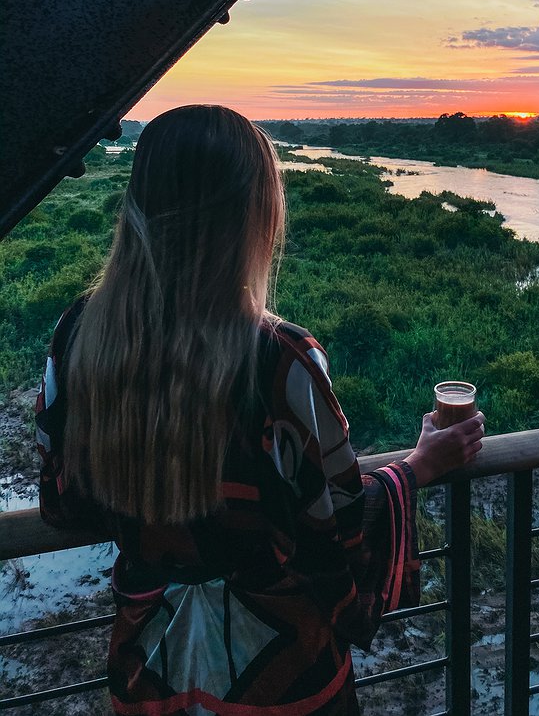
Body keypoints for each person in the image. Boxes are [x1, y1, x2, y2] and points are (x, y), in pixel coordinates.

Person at [36, 105, 485, 716]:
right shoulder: (282, 361)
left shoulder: (75, 339)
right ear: (253, 215)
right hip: (283, 672)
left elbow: (63, 502)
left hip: (148, 666)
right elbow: (330, 527)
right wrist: (417, 469)